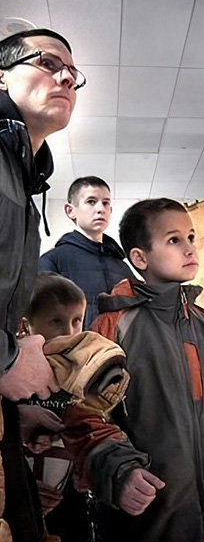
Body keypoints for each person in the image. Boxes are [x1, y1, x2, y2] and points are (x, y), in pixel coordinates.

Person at [62, 198, 204, 542]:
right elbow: (82, 416)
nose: (189, 248)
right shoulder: (111, 328)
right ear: (139, 257)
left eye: (191, 237)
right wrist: (119, 472)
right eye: (174, 240)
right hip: (150, 524)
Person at [0, 28, 81, 541]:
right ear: (1, 75)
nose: (67, 76)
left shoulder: (21, 183)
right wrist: (6, 358)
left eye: (74, 73)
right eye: (48, 62)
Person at [18, 273, 92, 542]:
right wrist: (24, 488)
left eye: (77, 321)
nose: (70, 332)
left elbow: (97, 431)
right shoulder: (13, 378)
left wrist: (88, 472)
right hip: (22, 504)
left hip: (70, 504)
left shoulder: (85, 378)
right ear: (26, 327)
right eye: (56, 321)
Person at [39, 176, 133, 328]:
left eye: (106, 203)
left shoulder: (122, 266)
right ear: (70, 211)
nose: (100, 209)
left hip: (126, 349)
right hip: (75, 349)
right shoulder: (53, 261)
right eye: (91, 202)